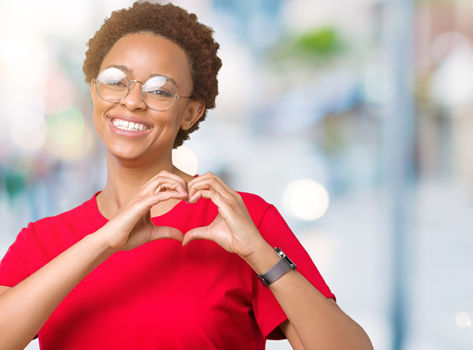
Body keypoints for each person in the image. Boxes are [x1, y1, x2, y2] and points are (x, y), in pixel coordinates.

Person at [0, 2, 373, 349]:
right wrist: (103, 242)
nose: (132, 100)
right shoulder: (43, 242)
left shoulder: (241, 221)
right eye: (115, 80)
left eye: (160, 90)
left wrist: (259, 253)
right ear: (95, 92)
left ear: (192, 113)